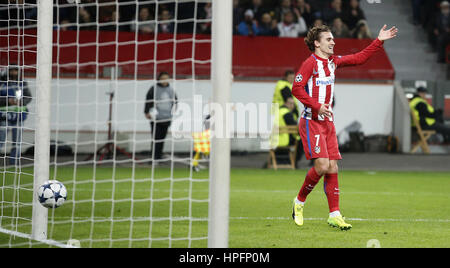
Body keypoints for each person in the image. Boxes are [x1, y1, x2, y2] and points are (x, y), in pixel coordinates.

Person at [290, 24, 398, 230]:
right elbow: (296, 88)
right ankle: (299, 201)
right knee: (322, 166)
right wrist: (317, 105)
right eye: (328, 39)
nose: (333, 42)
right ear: (317, 43)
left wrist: (379, 41)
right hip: (311, 121)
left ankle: (334, 214)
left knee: (332, 167)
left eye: (333, 39)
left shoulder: (332, 62)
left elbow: (359, 58)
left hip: (327, 122)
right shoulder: (310, 64)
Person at [0, 65, 32, 165]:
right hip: (4, 116)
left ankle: (14, 162)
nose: (14, 72)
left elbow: (28, 97)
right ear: (8, 71)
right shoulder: (2, 84)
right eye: (12, 70)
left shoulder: (22, 83)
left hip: (19, 116)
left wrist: (22, 102)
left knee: (17, 141)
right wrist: (8, 101)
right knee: (1, 139)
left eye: (16, 70)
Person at [144, 71, 178, 162]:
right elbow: (148, 100)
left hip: (167, 117)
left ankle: (158, 156)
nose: (164, 80)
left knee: (162, 138)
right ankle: (153, 157)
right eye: (163, 78)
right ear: (159, 79)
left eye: (166, 78)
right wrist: (147, 112)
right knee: (156, 138)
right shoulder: (154, 89)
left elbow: (175, 101)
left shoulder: (171, 90)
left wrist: (174, 110)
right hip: (156, 118)